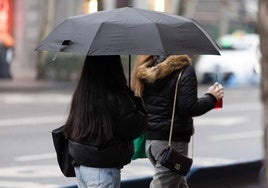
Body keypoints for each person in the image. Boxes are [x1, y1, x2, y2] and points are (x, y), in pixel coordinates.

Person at [131, 55, 224, 188]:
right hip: (171, 143)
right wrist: (212, 98)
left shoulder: (148, 68)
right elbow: (189, 107)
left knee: (178, 184)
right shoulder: (184, 70)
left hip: (152, 143)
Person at [64, 55, 147, 188]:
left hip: (81, 164)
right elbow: (137, 126)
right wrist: (134, 98)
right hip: (102, 169)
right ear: (114, 68)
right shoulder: (116, 96)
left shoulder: (81, 92)